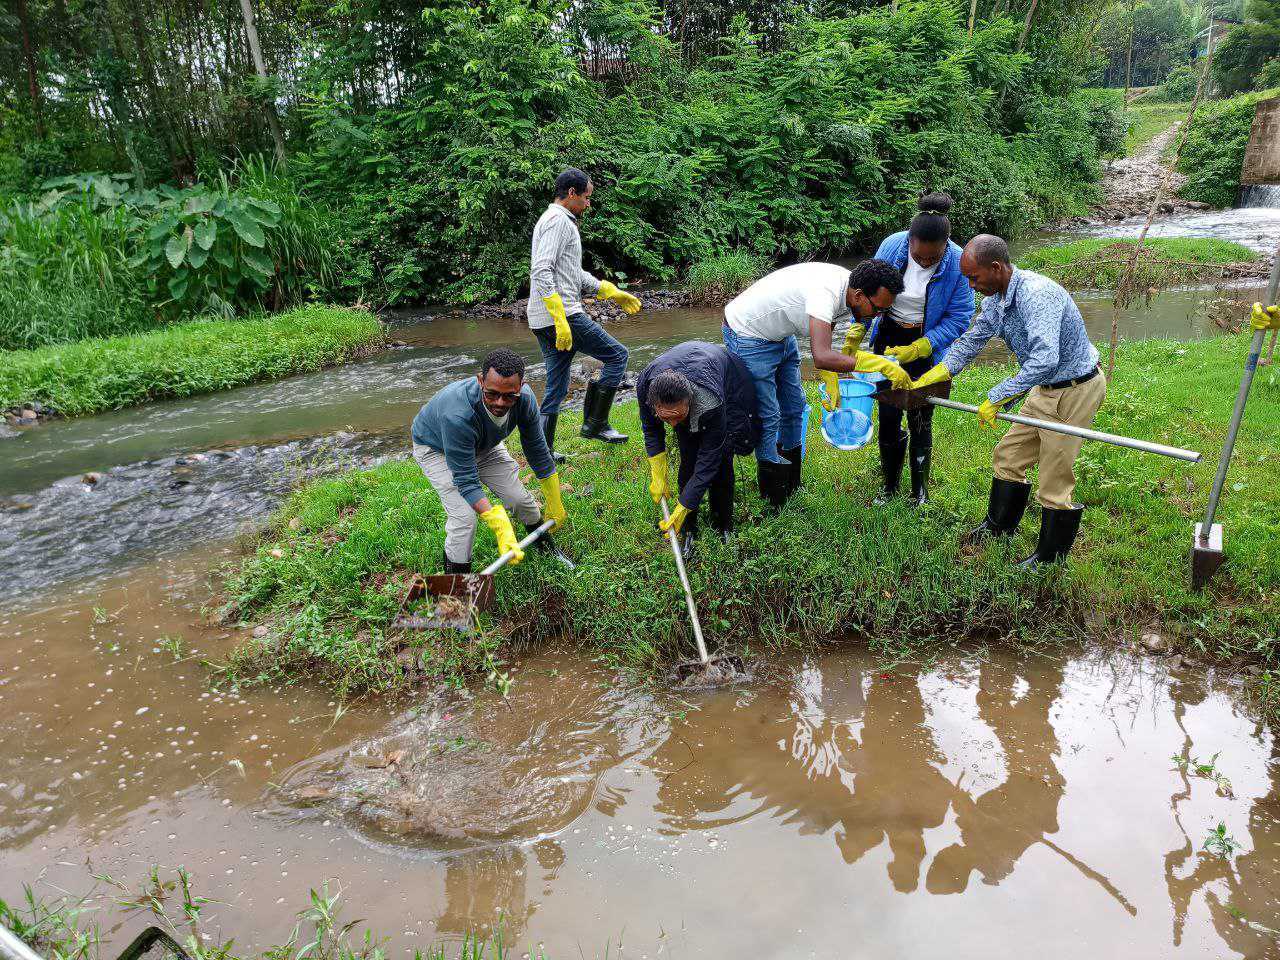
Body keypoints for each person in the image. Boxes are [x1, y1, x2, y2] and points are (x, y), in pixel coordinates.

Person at [911, 234, 1106, 566]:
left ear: (997, 267)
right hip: (1044, 388)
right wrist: (942, 370)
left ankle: (1048, 559)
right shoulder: (995, 299)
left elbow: (1045, 358)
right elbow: (974, 338)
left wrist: (997, 397)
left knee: (1054, 478)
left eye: (974, 278)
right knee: (1008, 455)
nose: (971, 286)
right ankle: (998, 528)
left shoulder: (1037, 296)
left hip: (1074, 389)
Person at [722, 259, 909, 507]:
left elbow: (826, 339)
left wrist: (831, 380)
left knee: (795, 408)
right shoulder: (825, 294)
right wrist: (881, 365)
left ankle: (792, 484)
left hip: (780, 333)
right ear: (860, 295)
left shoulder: (850, 290)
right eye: (877, 309)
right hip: (748, 333)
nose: (877, 316)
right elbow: (821, 356)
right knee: (769, 415)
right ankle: (773, 499)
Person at [410, 349, 570, 572]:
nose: (500, 403)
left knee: (520, 500)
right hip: (437, 449)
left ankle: (546, 548)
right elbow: (466, 481)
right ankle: (458, 584)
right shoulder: (457, 414)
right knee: (464, 519)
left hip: (484, 445)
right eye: (492, 394)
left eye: (509, 396)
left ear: (522, 385)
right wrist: (498, 523)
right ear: (480, 380)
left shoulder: (524, 399)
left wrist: (554, 498)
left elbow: (537, 449)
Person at [865, 192, 975, 505]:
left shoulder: (958, 261)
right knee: (888, 412)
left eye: (932, 258)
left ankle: (920, 491)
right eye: (919, 256)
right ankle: (889, 486)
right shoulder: (891, 246)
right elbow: (868, 289)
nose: (925, 261)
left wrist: (923, 345)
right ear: (910, 240)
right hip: (889, 340)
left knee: (921, 417)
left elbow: (960, 316)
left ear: (946, 244)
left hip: (928, 344)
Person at [527, 167, 641, 460]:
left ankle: (543, 451)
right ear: (572, 194)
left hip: (545, 318)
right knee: (617, 356)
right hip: (562, 315)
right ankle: (596, 424)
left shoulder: (555, 219)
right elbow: (542, 270)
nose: (589, 204)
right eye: (587, 198)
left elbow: (571, 273)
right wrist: (560, 317)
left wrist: (609, 290)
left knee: (557, 383)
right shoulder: (558, 222)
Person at [636, 341, 761, 559]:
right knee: (688, 461)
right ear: (654, 403)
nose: (672, 425)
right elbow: (652, 431)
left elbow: (709, 458)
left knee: (721, 463)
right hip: (685, 367)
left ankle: (723, 524)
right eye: (666, 417)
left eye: (678, 416)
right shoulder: (646, 387)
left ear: (690, 403)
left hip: (725, 376)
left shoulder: (710, 401)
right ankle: (689, 529)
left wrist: (683, 505)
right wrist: (658, 474)